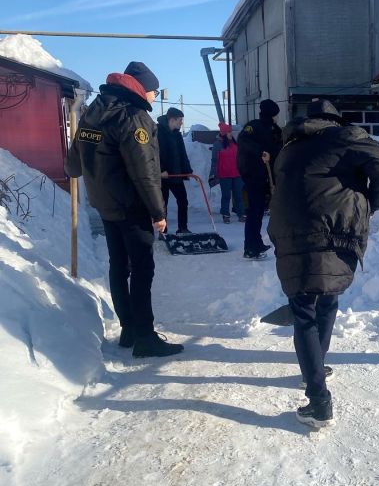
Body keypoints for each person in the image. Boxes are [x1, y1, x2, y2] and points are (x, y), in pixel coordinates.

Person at [268, 99, 379, 428]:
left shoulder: (288, 148)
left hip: (291, 236)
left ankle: (315, 371)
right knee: (323, 303)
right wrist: (369, 204)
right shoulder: (343, 136)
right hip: (334, 234)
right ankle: (318, 401)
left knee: (306, 309)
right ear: (334, 120)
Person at [64, 61, 184, 359]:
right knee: (143, 269)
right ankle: (145, 337)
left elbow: (72, 165)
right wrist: (158, 212)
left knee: (119, 266)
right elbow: (144, 172)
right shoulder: (133, 117)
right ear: (142, 89)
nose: (155, 98)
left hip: (106, 207)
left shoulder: (92, 113)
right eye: (154, 92)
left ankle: (129, 329)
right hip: (132, 207)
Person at [236, 98, 283, 258]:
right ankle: (250, 247)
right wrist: (260, 152)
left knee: (259, 212)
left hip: (267, 178)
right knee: (254, 212)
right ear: (271, 114)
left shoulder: (275, 130)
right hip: (254, 176)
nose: (277, 117)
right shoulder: (253, 126)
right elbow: (243, 141)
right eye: (276, 114)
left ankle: (256, 243)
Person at [157, 106, 192, 234]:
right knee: (162, 205)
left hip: (176, 175)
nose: (182, 123)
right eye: (180, 120)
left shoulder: (177, 135)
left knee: (183, 200)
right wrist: (161, 170)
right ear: (172, 120)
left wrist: (187, 169)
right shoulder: (158, 132)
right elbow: (154, 154)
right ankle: (163, 231)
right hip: (163, 176)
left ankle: (183, 228)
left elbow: (182, 153)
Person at [209, 122, 245, 223]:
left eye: (231, 131)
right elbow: (214, 161)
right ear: (224, 133)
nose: (231, 133)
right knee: (226, 196)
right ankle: (225, 214)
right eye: (229, 132)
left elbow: (240, 158)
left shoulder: (234, 144)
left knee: (238, 195)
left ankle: (241, 214)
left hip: (237, 174)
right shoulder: (217, 145)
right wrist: (212, 174)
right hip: (225, 175)